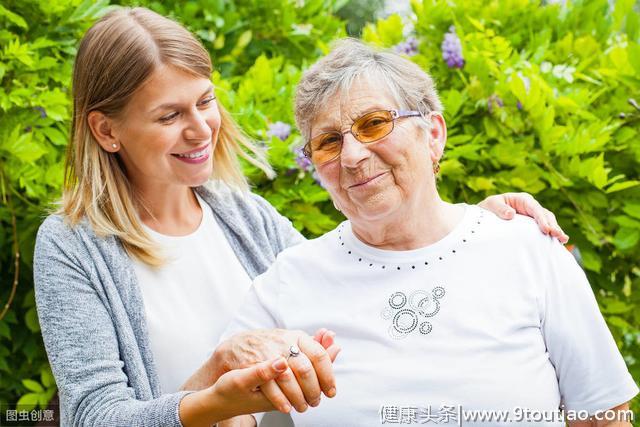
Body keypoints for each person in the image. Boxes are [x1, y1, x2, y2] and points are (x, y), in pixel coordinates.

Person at [33, 8, 569, 427]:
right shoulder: (73, 247)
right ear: (106, 131)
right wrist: (217, 379)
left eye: (205, 101)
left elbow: (353, 280)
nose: (201, 129)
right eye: (170, 115)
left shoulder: (244, 218)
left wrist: (464, 226)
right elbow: (93, 416)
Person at [220, 39, 639, 426]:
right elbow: (217, 408)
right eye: (328, 142)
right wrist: (227, 360)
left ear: (433, 134)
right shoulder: (289, 279)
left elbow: (606, 413)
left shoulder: (527, 248)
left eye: (374, 123)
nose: (351, 155)